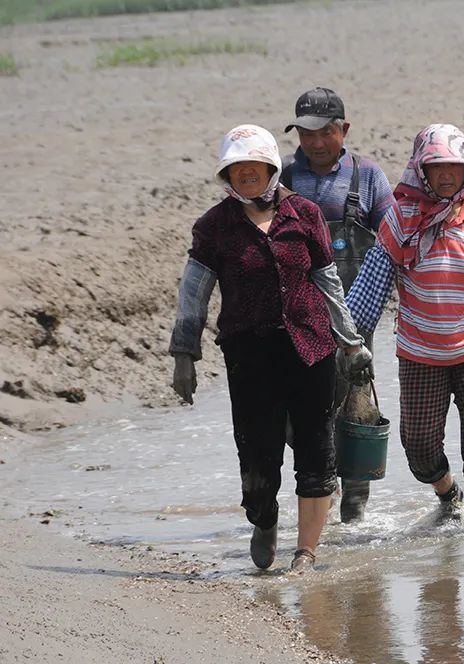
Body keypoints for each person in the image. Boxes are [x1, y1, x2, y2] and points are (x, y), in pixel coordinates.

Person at [168, 124, 373, 572]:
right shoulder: (214, 226)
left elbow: (327, 279)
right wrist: (184, 354)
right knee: (258, 457)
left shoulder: (304, 214)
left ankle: (306, 552)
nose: (246, 175)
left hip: (311, 350)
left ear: (271, 168)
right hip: (250, 357)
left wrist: (352, 343)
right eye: (236, 169)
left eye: (254, 168)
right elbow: (193, 292)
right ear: (227, 174)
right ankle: (264, 520)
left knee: (317, 453)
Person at [346, 124, 464, 530]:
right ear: (421, 169)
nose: (448, 175)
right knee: (417, 448)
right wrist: (352, 345)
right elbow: (370, 286)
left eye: (456, 166)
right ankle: (446, 491)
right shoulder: (400, 218)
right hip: (421, 354)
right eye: (438, 166)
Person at [282, 87, 395, 523]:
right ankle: (321, 484)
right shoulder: (286, 179)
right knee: (303, 410)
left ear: (343, 130)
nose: (313, 142)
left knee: (355, 402)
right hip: (300, 316)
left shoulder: (367, 176)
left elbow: (391, 239)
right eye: (305, 133)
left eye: (323, 132)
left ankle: (355, 505)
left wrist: (405, 301)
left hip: (356, 312)